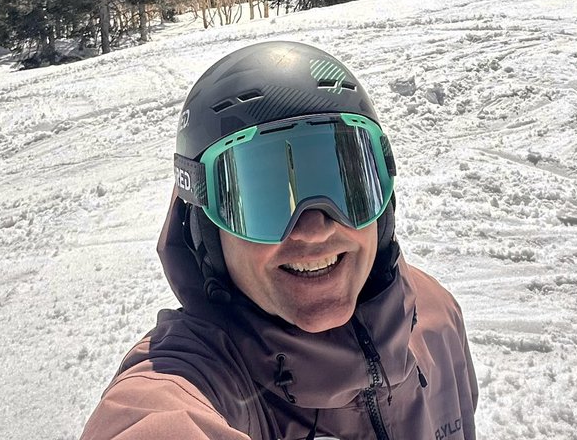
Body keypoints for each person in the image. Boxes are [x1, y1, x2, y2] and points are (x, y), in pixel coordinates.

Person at [81, 40, 478, 439]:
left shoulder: (435, 316)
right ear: (208, 233)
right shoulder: (196, 379)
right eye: (265, 199)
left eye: (345, 185)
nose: (314, 229)